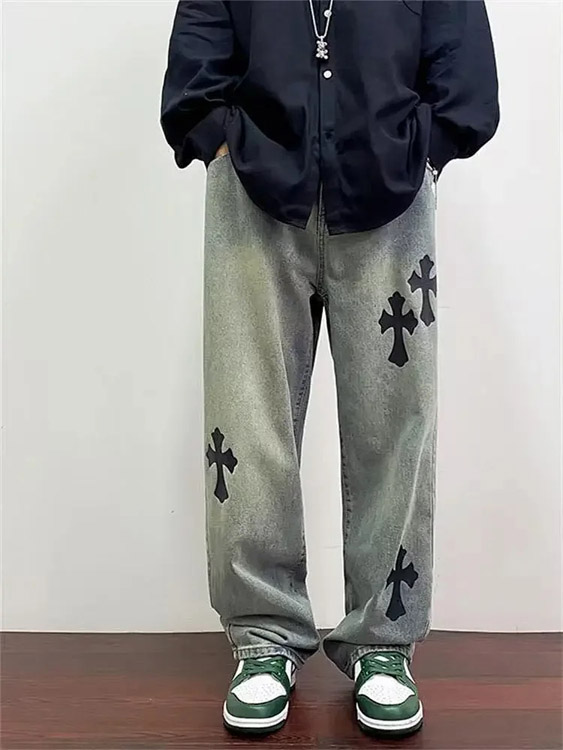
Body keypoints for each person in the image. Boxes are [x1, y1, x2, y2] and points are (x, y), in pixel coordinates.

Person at [160, 0, 499, 737]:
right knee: (246, 420)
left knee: (397, 424)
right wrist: (218, 141)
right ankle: (262, 637)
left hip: (390, 191)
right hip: (253, 192)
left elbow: (462, 55)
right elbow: (200, 40)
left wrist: (428, 148)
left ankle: (384, 643)